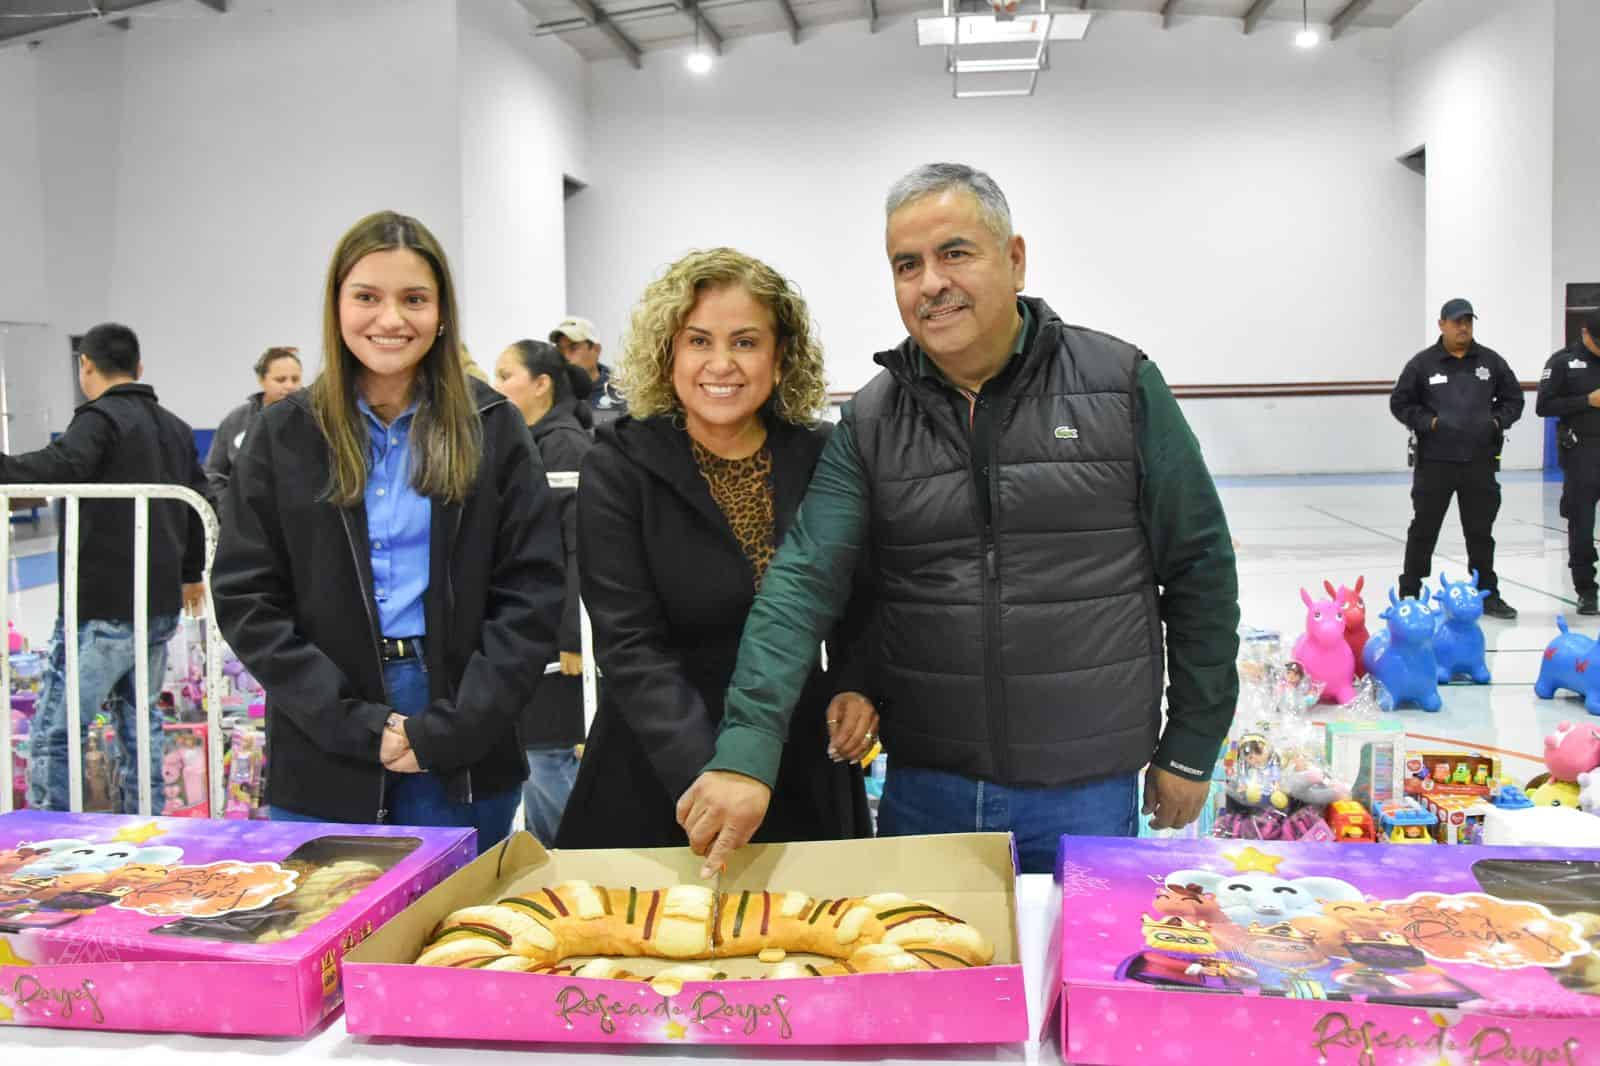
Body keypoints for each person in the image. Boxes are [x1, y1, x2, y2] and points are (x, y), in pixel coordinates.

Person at [676, 163, 1241, 876]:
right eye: (906, 265)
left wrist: (1192, 742)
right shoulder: (874, 420)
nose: (930, 283)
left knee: (1068, 984)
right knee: (927, 980)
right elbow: (803, 582)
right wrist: (746, 753)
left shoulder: (1120, 385)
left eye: (955, 253)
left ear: (1014, 259)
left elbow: (1199, 569)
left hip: (1085, 790)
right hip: (926, 791)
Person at [212, 211, 565, 851]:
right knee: (333, 937)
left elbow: (531, 592)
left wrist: (454, 726)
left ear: (442, 311)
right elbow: (248, 597)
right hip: (325, 731)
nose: (391, 320)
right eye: (367, 297)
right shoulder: (283, 434)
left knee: (454, 942)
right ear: (337, 304)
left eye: (414, 299)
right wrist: (350, 722)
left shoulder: (492, 427)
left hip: (462, 725)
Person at [555, 248, 875, 851]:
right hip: (661, 766)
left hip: (798, 758)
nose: (721, 363)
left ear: (780, 357)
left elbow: (860, 599)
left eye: (746, 342)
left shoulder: (820, 454)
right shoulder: (620, 465)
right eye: (699, 341)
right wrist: (715, 778)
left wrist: (855, 684)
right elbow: (629, 644)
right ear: (668, 353)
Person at [0, 322, 207, 813]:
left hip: (102, 606)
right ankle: (151, 824)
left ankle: (47, 840)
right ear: (139, 367)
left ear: (85, 366)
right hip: (157, 606)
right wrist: (191, 573)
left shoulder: (99, 419)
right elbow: (200, 502)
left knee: (56, 731)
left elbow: (59, 466)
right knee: (141, 727)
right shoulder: (174, 427)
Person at [493, 339, 595, 843]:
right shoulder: (531, 443)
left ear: (541, 384)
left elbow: (582, 547)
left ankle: (577, 856)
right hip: (539, 634)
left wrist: (572, 634)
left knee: (550, 752)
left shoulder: (564, 448)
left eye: (506, 374)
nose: (498, 387)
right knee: (537, 753)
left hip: (563, 645)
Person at [1390, 298, 1523, 619]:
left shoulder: (1490, 362)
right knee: (1424, 528)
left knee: (1480, 530)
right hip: (1435, 463)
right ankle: (1411, 591)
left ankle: (1486, 592)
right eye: (1456, 321)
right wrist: (1428, 423)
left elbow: (1514, 400)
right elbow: (1400, 403)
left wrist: (1495, 422)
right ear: (1442, 325)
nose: (1463, 327)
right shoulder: (1422, 364)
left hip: (1480, 461)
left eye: (1468, 321)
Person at [1536, 309, 1600, 615]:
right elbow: (1544, 405)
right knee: (1582, 524)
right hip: (1582, 452)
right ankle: (1586, 589)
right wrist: (1586, 401)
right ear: (1585, 333)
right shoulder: (1563, 362)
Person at [204, 347, 302, 502]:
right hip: (245, 519)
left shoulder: (314, 419)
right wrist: (228, 508)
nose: (289, 386)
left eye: (295, 379)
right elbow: (213, 474)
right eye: (280, 379)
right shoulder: (236, 420)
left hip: (299, 518)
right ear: (262, 380)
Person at [550, 315, 627, 423]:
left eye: (573, 348)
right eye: (560, 349)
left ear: (596, 350)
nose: (565, 357)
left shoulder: (621, 390)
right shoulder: (551, 392)